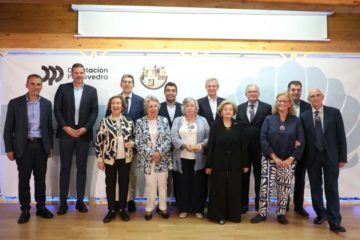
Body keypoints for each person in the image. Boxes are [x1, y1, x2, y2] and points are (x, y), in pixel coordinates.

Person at [3, 74, 54, 224]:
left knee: (40, 179)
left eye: (38, 84)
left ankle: (41, 207)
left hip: (41, 146)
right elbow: (8, 129)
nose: (35, 87)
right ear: (27, 85)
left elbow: (49, 128)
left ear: (42, 86)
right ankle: (25, 209)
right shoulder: (15, 103)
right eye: (32, 84)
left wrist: (49, 146)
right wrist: (9, 149)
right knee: (23, 180)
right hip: (22, 147)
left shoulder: (46, 103)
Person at [251, 92, 304, 225]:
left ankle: (281, 213)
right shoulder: (269, 119)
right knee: (265, 188)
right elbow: (263, 139)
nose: (282, 103)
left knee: (284, 188)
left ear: (290, 104)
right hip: (270, 159)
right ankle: (262, 213)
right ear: (276, 103)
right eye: (279, 101)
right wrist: (274, 157)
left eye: (285, 101)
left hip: (288, 162)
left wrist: (290, 159)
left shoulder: (296, 121)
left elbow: (301, 141)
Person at [54, 63, 98, 215]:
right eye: (76, 73)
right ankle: (63, 203)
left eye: (81, 72)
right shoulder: (62, 88)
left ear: (85, 74)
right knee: (65, 168)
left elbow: (94, 112)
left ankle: (80, 201)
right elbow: (57, 110)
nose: (79, 75)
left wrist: (85, 128)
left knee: (82, 169)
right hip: (66, 133)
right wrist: (65, 127)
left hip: (83, 134)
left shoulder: (92, 91)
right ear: (71, 74)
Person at [300, 89, 347, 233]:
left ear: (323, 97)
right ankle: (321, 214)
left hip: (331, 157)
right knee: (315, 188)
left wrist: (342, 157)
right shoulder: (304, 116)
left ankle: (334, 220)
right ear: (309, 99)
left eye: (317, 95)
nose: (315, 98)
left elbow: (341, 136)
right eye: (312, 96)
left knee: (332, 188)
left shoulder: (334, 113)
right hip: (312, 157)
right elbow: (302, 139)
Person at [106, 74, 145, 213]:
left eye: (130, 82)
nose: (127, 84)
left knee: (131, 174)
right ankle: (117, 201)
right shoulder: (114, 100)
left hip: (131, 146)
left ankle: (130, 199)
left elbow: (142, 124)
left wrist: (135, 142)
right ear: (121, 84)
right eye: (125, 82)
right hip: (115, 147)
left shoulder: (140, 101)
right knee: (115, 176)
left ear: (133, 85)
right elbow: (107, 120)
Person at [206, 100, 249, 225]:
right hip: (218, 163)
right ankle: (220, 216)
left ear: (233, 111)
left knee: (234, 189)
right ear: (221, 111)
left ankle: (234, 215)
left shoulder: (239, 125)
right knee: (219, 189)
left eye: (230, 109)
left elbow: (243, 146)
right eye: (225, 109)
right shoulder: (215, 125)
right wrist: (209, 165)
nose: (228, 111)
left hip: (236, 163)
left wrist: (245, 164)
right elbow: (211, 146)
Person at [95, 95, 135, 223]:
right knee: (110, 184)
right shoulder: (104, 121)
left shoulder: (129, 121)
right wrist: (99, 159)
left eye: (118, 103)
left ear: (123, 106)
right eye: (113, 103)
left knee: (124, 185)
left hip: (125, 159)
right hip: (109, 159)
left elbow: (135, 137)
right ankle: (111, 210)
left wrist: (132, 143)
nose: (116, 105)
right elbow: (99, 142)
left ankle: (123, 209)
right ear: (110, 106)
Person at [171, 97, 210, 219]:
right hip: (182, 158)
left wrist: (201, 144)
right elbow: (173, 136)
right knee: (183, 184)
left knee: (198, 185)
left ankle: (198, 209)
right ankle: (184, 208)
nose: (190, 108)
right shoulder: (178, 120)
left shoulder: (203, 120)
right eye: (187, 105)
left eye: (192, 105)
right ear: (183, 108)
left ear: (196, 108)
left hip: (198, 159)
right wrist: (183, 145)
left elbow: (209, 137)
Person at [135, 95, 172, 220]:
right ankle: (149, 208)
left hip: (162, 158)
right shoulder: (140, 122)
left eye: (155, 106)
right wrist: (152, 153)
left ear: (158, 107)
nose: (153, 108)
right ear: (146, 108)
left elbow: (168, 139)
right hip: (148, 159)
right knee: (150, 185)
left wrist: (159, 153)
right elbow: (138, 141)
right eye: (150, 106)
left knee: (163, 184)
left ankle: (163, 208)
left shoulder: (164, 120)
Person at [236, 84, 271, 213]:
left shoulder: (267, 108)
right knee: (243, 178)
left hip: (260, 149)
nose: (253, 93)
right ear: (246, 94)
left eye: (255, 91)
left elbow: (269, 128)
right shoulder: (239, 108)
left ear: (259, 93)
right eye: (250, 91)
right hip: (243, 150)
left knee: (260, 178)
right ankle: (243, 204)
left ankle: (259, 204)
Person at [287, 80, 311, 217]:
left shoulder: (308, 106)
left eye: (298, 90)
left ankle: (299, 206)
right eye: (293, 89)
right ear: (289, 90)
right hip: (285, 149)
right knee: (284, 179)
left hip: (302, 149)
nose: (296, 92)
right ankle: (283, 205)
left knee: (300, 179)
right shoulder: (282, 104)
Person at [159, 82, 182, 204]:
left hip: (179, 148)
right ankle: (163, 203)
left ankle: (179, 202)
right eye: (168, 90)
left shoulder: (183, 107)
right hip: (163, 148)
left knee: (178, 176)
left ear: (176, 92)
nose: (171, 92)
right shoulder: (158, 107)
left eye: (173, 90)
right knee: (163, 177)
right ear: (165, 92)